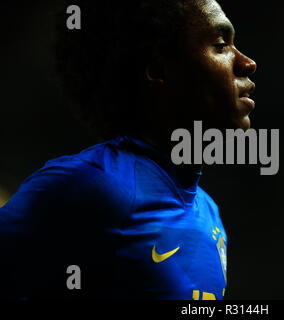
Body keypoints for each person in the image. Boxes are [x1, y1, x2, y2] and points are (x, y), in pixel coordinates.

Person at [0, 0, 256, 300]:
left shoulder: (208, 210)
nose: (246, 63)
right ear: (158, 70)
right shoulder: (88, 186)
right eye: (221, 45)